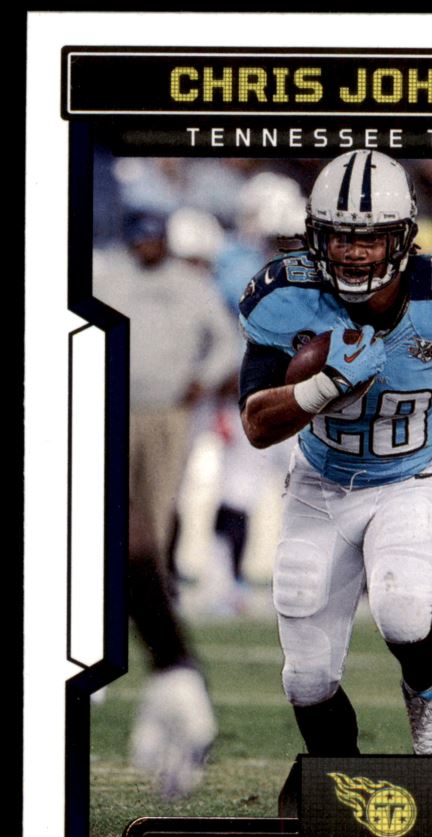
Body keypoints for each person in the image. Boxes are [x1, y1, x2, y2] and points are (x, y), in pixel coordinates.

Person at [238, 150, 432, 773]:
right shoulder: (286, 296)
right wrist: (323, 387)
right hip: (320, 481)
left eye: (369, 237)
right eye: (340, 236)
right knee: (306, 678)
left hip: (412, 476)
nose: (353, 252)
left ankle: (426, 694)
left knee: (402, 612)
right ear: (316, 235)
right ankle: (344, 785)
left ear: (402, 237)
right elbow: (256, 425)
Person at [94, 211, 238, 795]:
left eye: (154, 239)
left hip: (168, 408)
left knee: (142, 522)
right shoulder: (108, 275)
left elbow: (226, 340)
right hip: (109, 401)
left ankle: (158, 658)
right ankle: (166, 666)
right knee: (111, 523)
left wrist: (203, 377)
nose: (146, 247)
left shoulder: (190, 284)